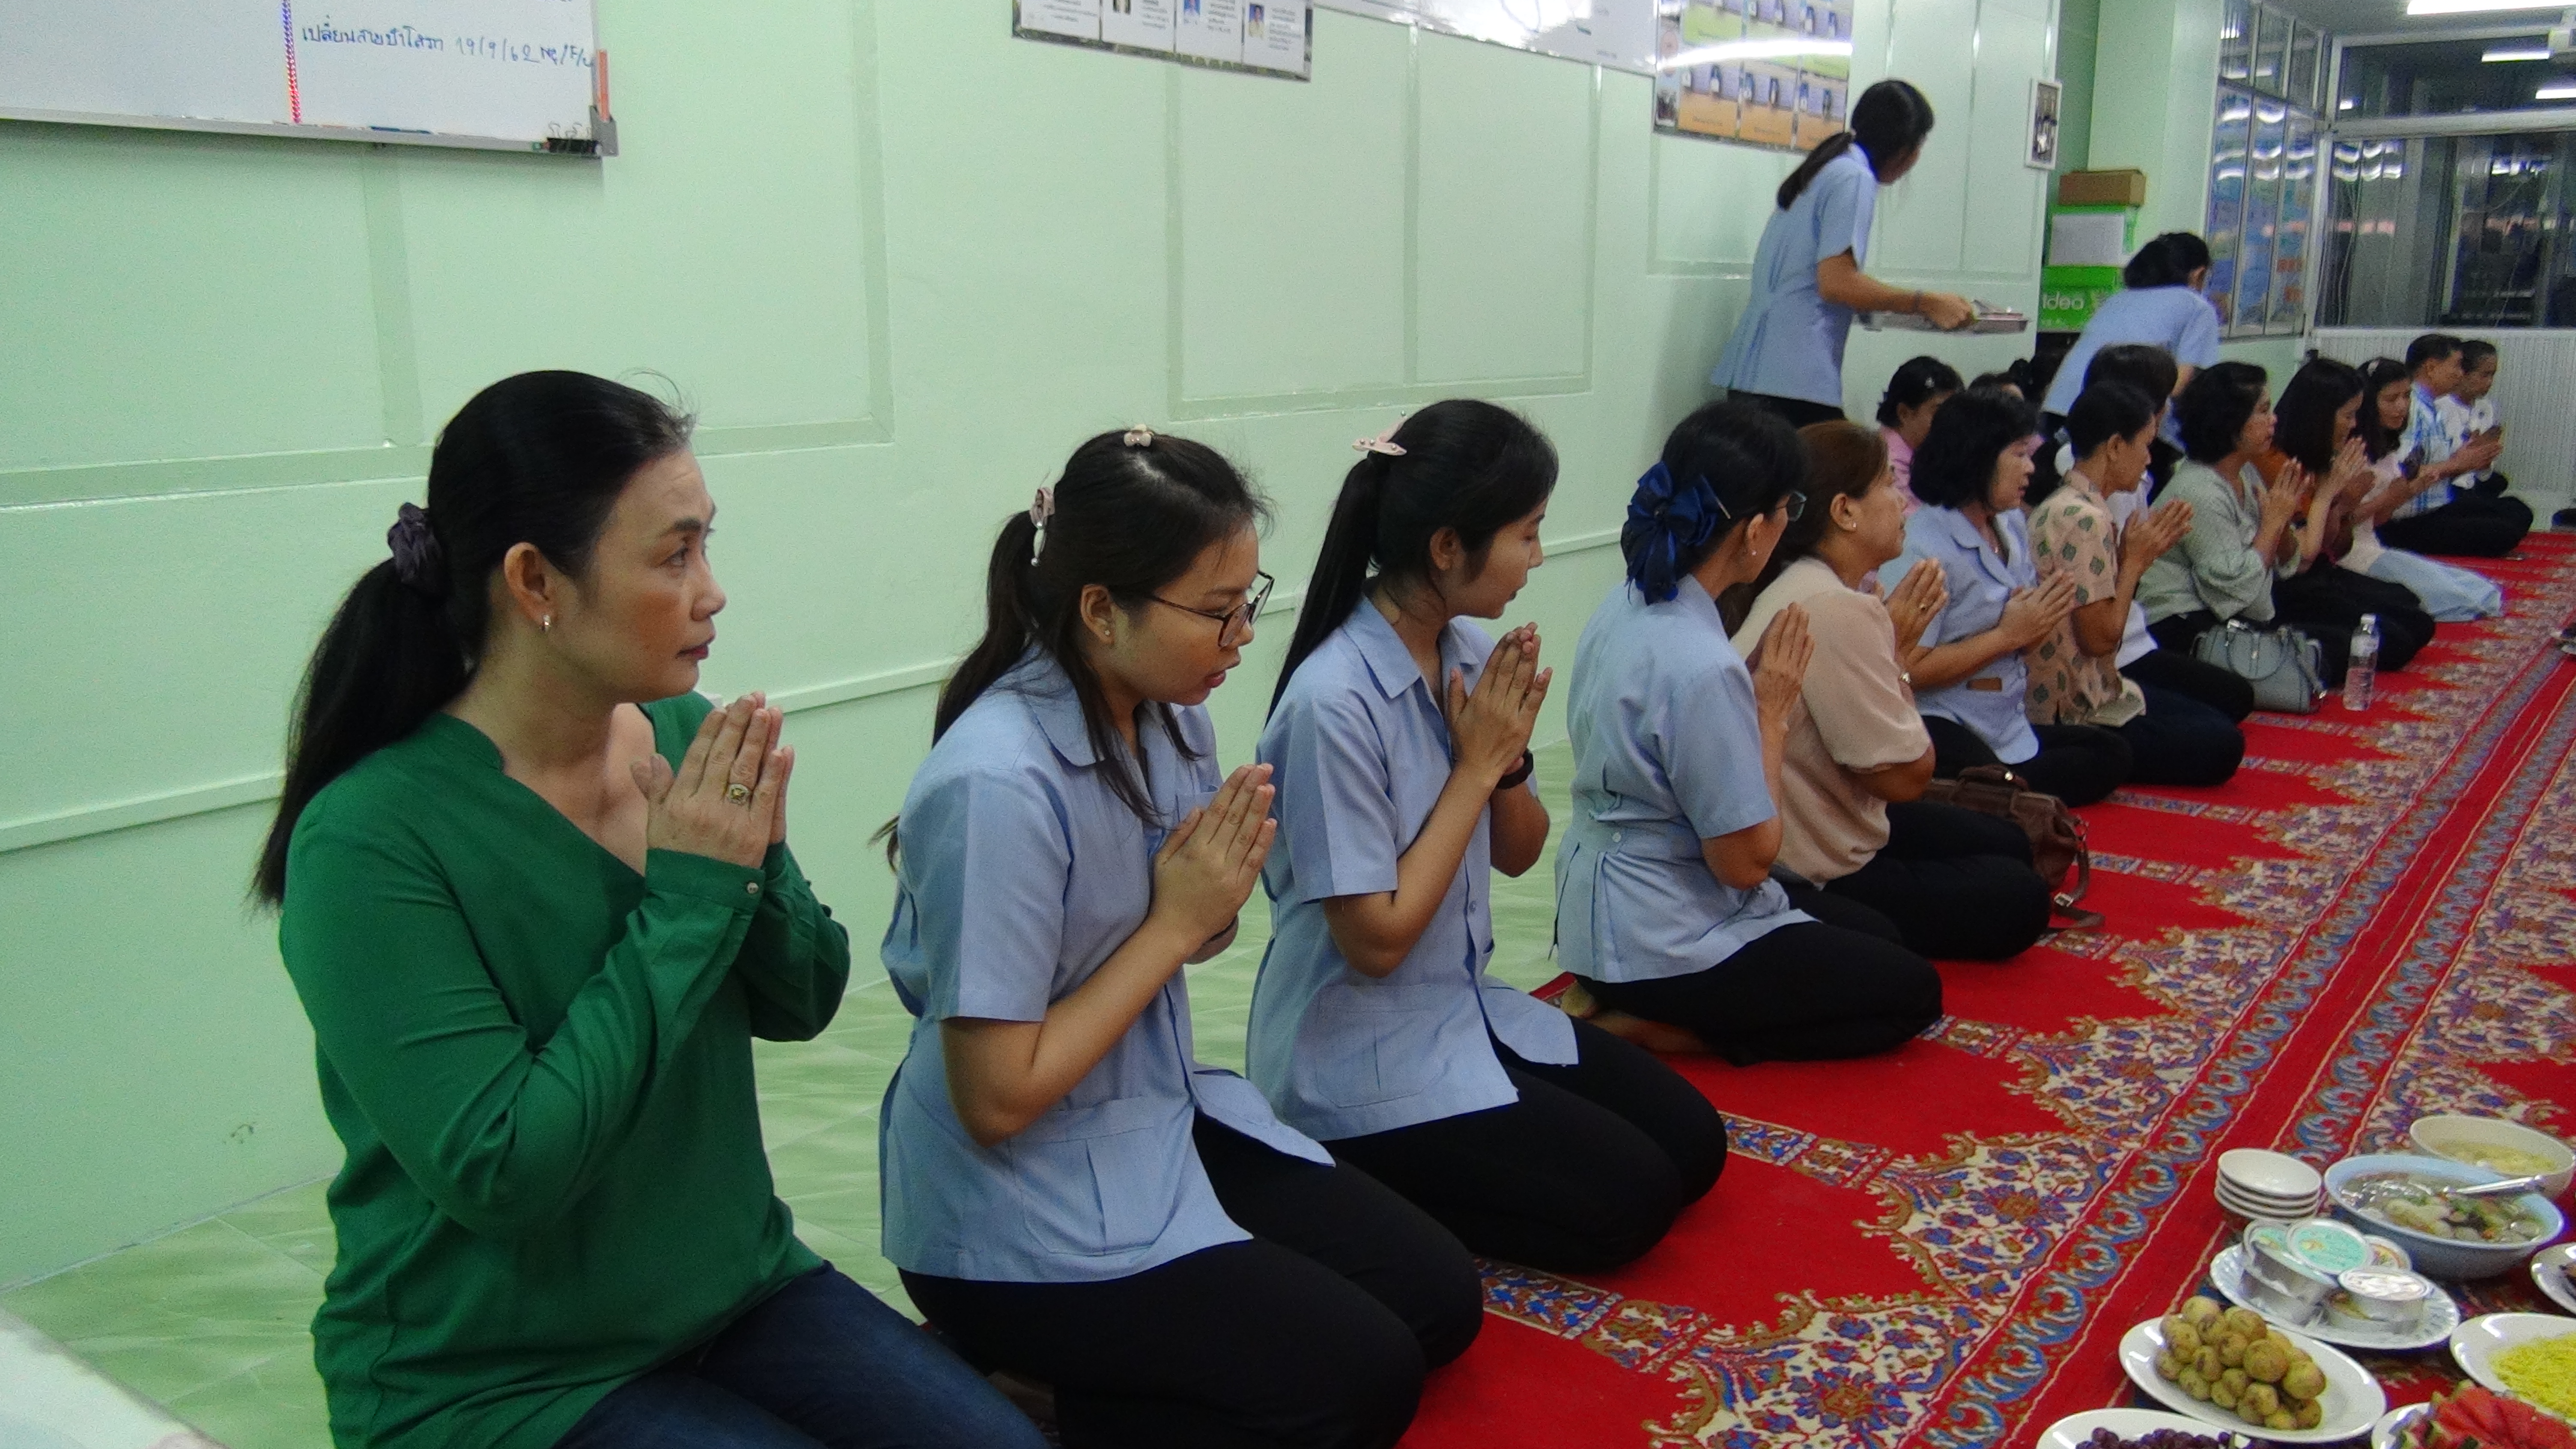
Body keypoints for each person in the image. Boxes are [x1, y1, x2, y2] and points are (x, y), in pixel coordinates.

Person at [258, 372, 1038, 1449]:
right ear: (535, 580)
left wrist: (752, 858)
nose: (711, 592)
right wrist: (689, 896)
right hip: (494, 1375)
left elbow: (807, 997)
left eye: (706, 546)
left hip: (728, 1291)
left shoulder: (680, 734)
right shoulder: (370, 838)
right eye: (674, 557)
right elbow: (503, 1169)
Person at [879, 429, 1483, 1449]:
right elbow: (995, 1099)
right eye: (1216, 610)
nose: (1242, 635)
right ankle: (1016, 1390)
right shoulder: (996, 787)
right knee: (1362, 1380)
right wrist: (1176, 922)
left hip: (1145, 1113)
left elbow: (1191, 932)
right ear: (1101, 609)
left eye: (1249, 599)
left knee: (1436, 1298)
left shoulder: (1169, 716)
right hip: (1016, 1204)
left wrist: (1211, 901)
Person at [1252, 401, 1726, 1273]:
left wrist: (1504, 766)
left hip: (1460, 1005)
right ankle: (1355, 1177)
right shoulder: (1332, 703)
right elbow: (1376, 944)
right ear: (1446, 546)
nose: (1538, 557)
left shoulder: (1468, 650)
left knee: (1692, 1143)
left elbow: (1518, 851)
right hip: (1360, 1056)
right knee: (1632, 1201)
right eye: (1527, 532)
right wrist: (1472, 769)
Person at [1554, 399, 1944, 1063]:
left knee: (1877, 934)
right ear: (1755, 531)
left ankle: (1636, 1005)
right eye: (1788, 510)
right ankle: (1667, 1032)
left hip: (1598, 919)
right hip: (1666, 943)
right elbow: (1745, 865)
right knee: (1912, 992)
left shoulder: (1627, 601)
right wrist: (1771, 713)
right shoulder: (1701, 664)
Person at [1726, 420, 2053, 961]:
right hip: (1808, 862)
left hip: (1835, 825)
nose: (1903, 501)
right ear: (1844, 511)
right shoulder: (1834, 606)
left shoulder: (1816, 583)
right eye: (1887, 485)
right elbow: (1905, 777)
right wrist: (1896, 659)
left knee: (2009, 840)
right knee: (2018, 895)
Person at [1887, 387, 2134, 805]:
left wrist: (2040, 618)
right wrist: (2007, 636)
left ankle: (1999, 789)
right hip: (1942, 717)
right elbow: (1905, 667)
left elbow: (2025, 637)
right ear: (1978, 457)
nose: (2030, 468)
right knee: (2004, 800)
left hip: (2006, 718)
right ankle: (1988, 792)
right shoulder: (1923, 546)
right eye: (2019, 454)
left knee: (2110, 751)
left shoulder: (2010, 525)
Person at [2139, 363, 2424, 688]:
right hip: (2188, 621)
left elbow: (2291, 561)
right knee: (2351, 650)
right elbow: (2237, 590)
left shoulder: (2245, 472)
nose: (2273, 419)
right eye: (2263, 411)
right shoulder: (2200, 490)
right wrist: (2275, 522)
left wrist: (2283, 520)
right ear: (2230, 421)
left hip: (2242, 611)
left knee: (2379, 636)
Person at [1710, 79, 1975, 427]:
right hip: (1794, 379)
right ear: (1907, 149)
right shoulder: (1854, 178)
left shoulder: (1825, 169)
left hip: (1758, 371)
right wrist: (1925, 302)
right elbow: (1837, 283)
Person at [2026, 382, 2246, 786]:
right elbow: (2099, 640)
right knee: (2220, 743)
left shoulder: (2076, 504)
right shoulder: (2083, 519)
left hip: (2097, 684)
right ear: (2114, 447)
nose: (2149, 458)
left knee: (2217, 716)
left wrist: (2134, 562)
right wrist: (2134, 564)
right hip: (2072, 703)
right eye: (2144, 445)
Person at [2054, 344, 2254, 721]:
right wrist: (2135, 560)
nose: (2166, 413)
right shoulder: (2081, 488)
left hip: (2131, 631)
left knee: (2234, 697)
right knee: (2216, 732)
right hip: (2104, 651)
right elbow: (2098, 633)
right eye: (2162, 401)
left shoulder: (2131, 469)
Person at [2250, 360, 2445, 674]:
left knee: (2415, 615)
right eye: (2348, 416)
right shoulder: (2275, 463)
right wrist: (2331, 496)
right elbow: (2303, 558)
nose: (2354, 425)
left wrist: (2341, 503)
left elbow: (2335, 546)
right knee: (2395, 641)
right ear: (2319, 416)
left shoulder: (2319, 456)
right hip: (2288, 585)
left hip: (2323, 569)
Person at [2348, 356, 2505, 621]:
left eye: (2406, 397)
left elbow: (2379, 519)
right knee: (2459, 602)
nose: (2402, 406)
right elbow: (2340, 527)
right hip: (2351, 554)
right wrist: (2392, 497)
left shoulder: (2386, 446)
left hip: (2374, 543)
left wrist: (2408, 491)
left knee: (2482, 590)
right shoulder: (2351, 452)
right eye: (2391, 399)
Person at [2036, 233, 2224, 425]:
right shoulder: (2197, 307)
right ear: (2199, 274)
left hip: (2058, 408)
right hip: (2115, 420)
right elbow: (2180, 384)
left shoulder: (2117, 300)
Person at [2375, 334, 2527, 558]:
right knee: (2503, 530)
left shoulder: (2431, 408)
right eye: (2456, 366)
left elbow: (2439, 466)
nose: (2460, 374)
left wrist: (2468, 460)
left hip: (2436, 505)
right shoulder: (2412, 410)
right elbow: (2402, 473)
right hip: (2407, 518)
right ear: (2431, 368)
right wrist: (2458, 464)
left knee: (2516, 510)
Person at [1876, 354, 1962, 511]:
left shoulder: (1926, 453)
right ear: (1904, 413)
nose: (1950, 422)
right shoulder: (1885, 464)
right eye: (1940, 413)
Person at [2448, 340, 2509, 497]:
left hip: (2472, 484)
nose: (2490, 382)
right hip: (2446, 486)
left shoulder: (2486, 407)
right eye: (2484, 375)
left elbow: (2483, 476)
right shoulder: (2441, 406)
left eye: (2492, 375)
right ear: (2462, 373)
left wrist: (2486, 458)